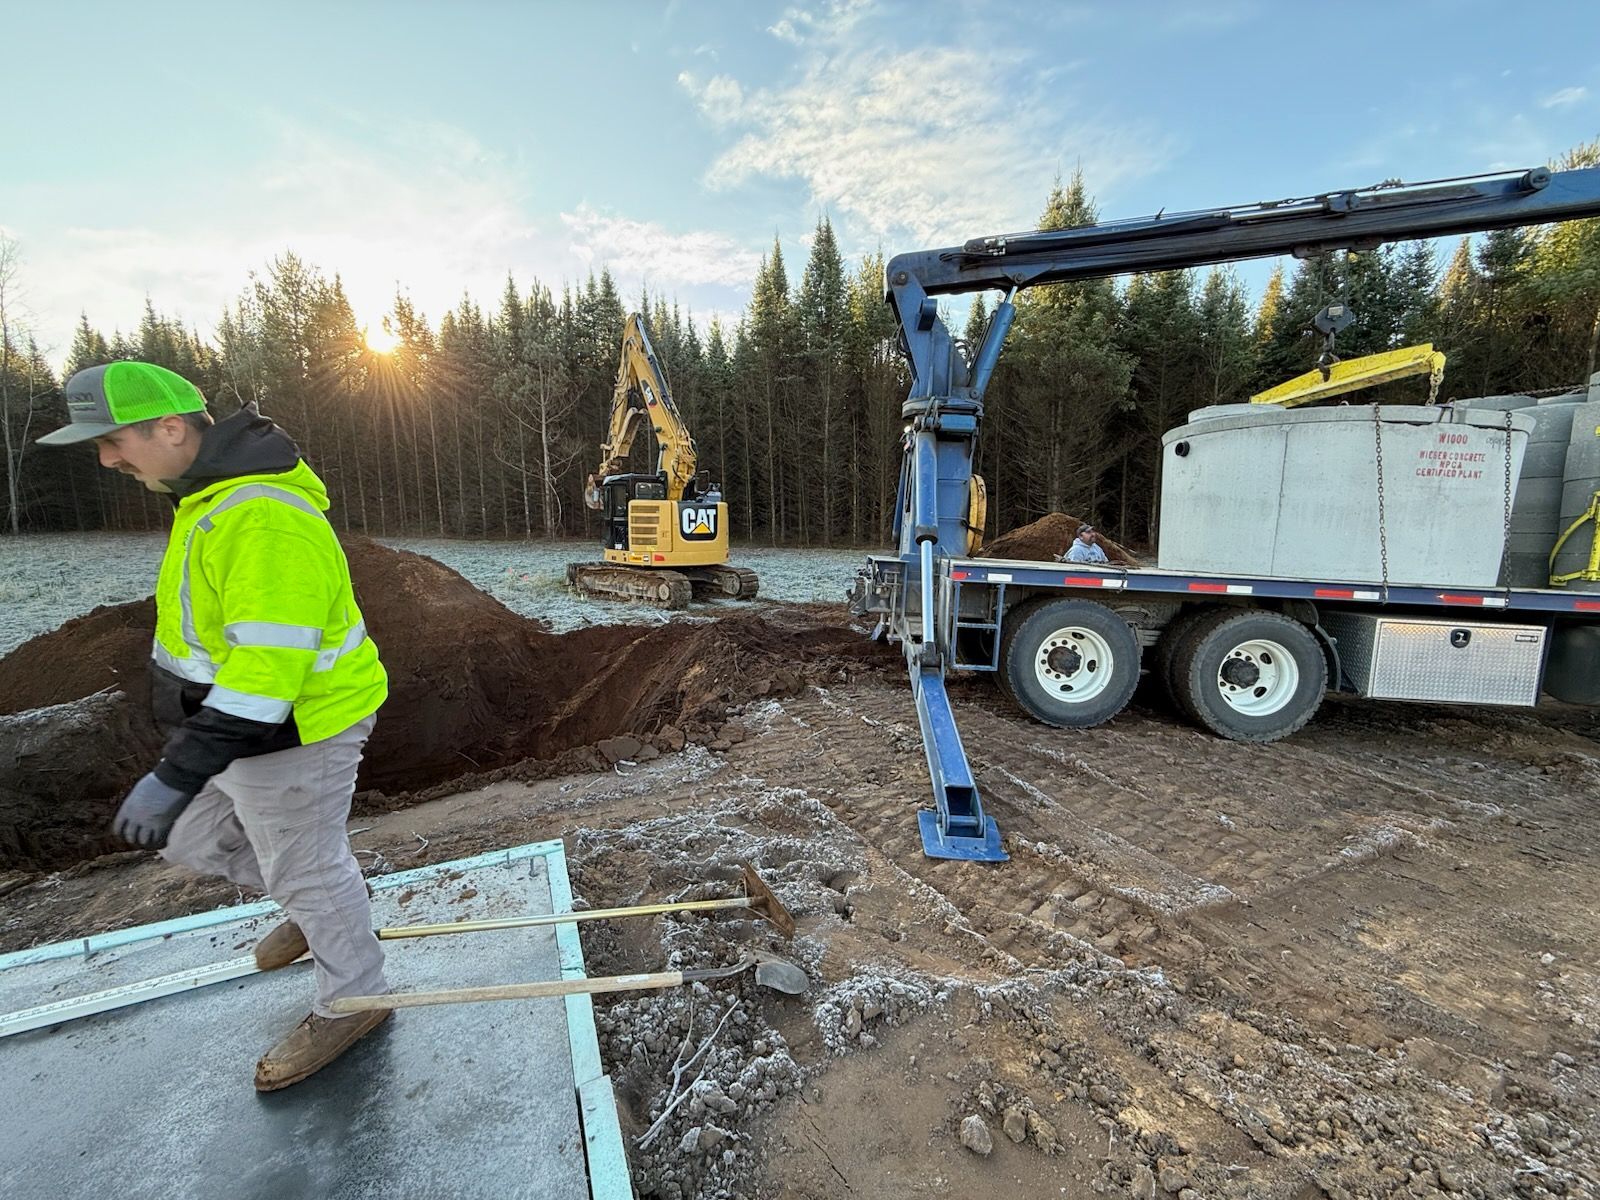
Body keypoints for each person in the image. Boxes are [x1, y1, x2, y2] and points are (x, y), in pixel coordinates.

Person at [37, 361, 392, 1091]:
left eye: (111, 441)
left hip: (297, 728)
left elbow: (268, 673)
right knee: (192, 834)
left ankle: (354, 996)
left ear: (170, 429)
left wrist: (175, 771)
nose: (106, 459)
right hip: (240, 729)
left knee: (306, 863)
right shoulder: (209, 498)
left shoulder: (259, 516)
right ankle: (322, 911)